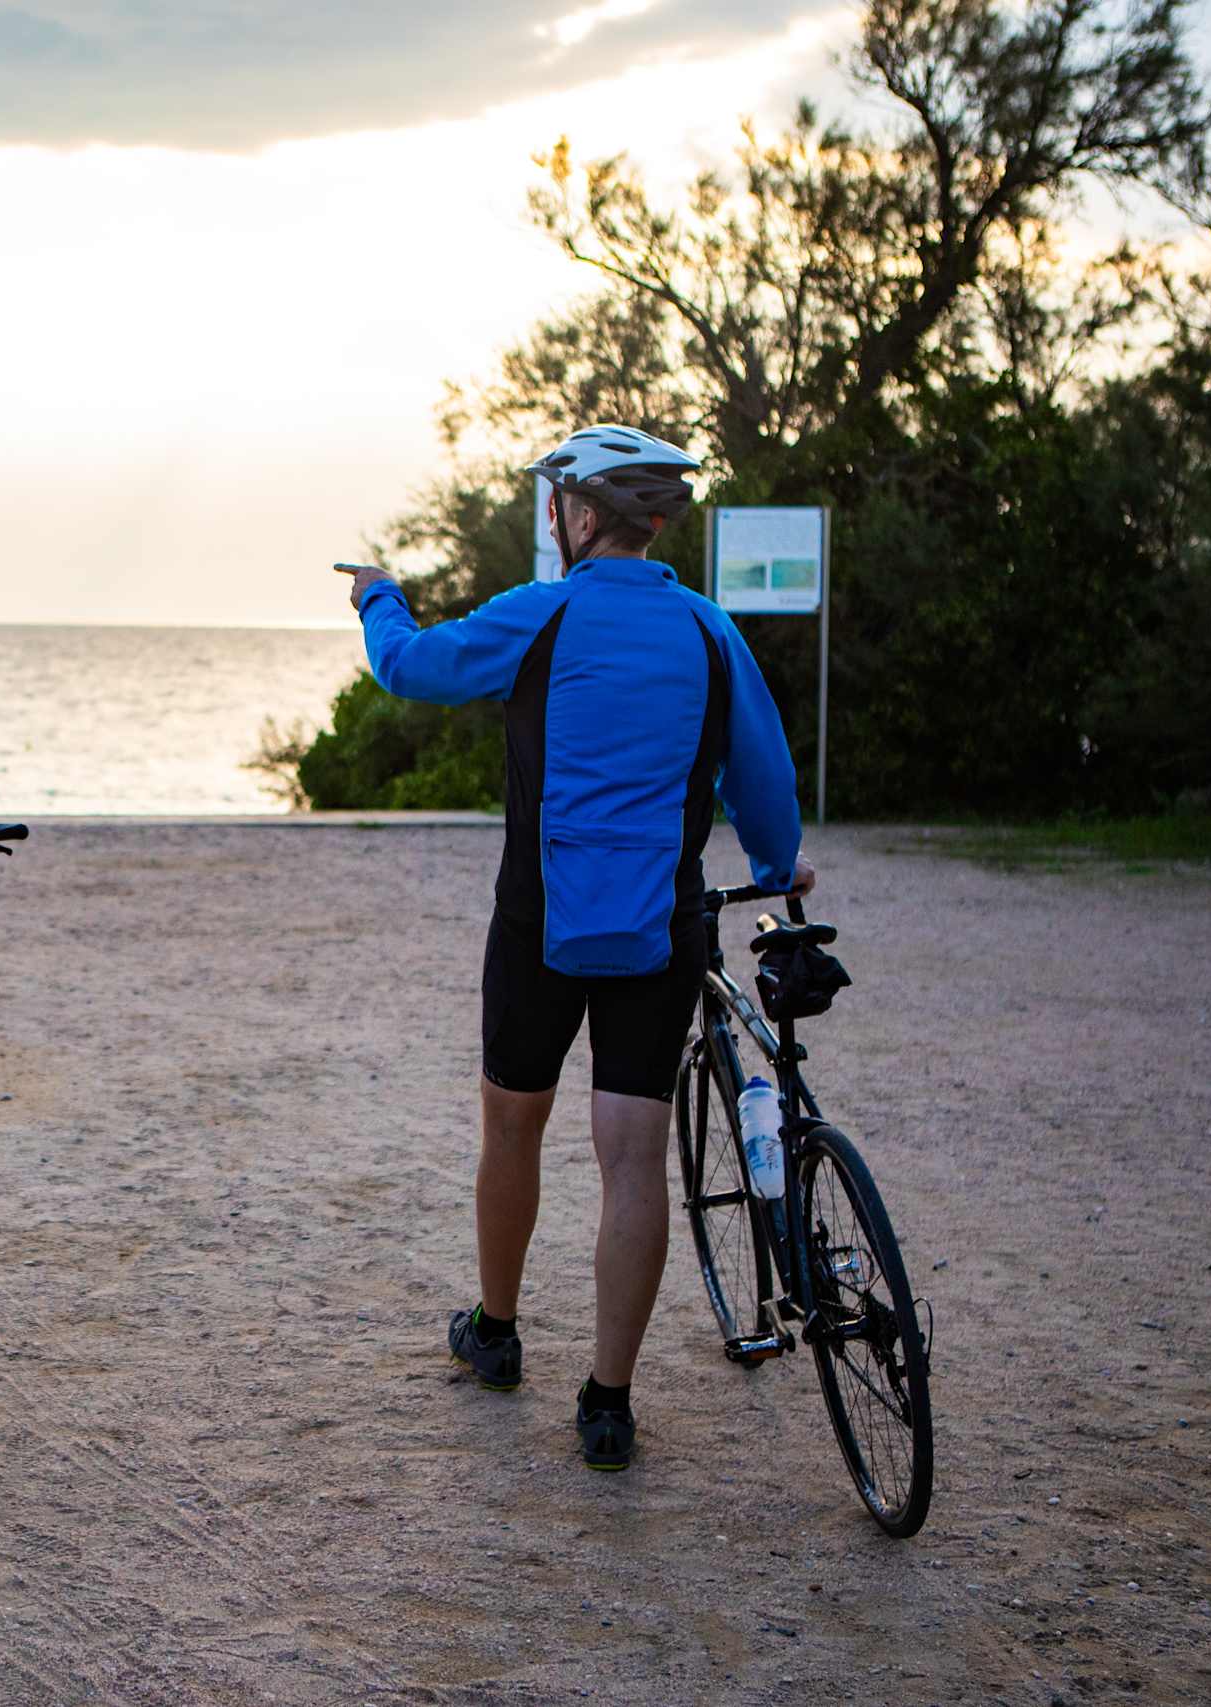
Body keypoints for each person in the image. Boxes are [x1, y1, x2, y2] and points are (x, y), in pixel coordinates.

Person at [341, 425, 811, 1472]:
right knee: (632, 1157)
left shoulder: (540, 613)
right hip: (660, 930)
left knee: (512, 1126)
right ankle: (607, 1403)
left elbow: (410, 667)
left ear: (583, 515)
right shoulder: (707, 630)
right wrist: (779, 865)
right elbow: (762, 776)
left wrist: (378, 595)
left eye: (557, 500)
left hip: (537, 927)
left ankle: (497, 1334)